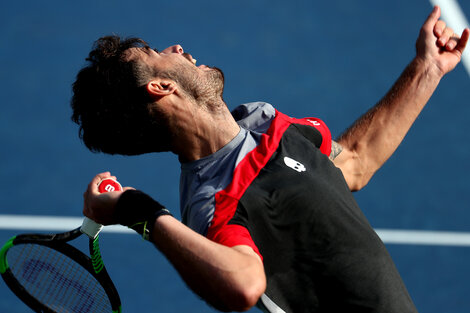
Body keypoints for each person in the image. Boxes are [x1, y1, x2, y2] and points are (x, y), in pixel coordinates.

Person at [71, 6, 468, 313]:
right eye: (157, 53)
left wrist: (427, 69)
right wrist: (137, 211)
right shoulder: (214, 199)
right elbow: (243, 284)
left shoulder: (266, 122)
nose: (175, 47)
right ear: (161, 86)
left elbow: (353, 163)